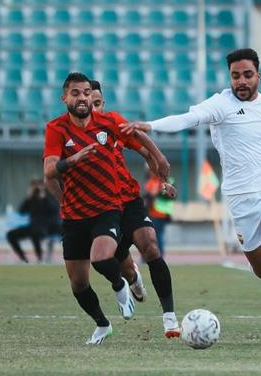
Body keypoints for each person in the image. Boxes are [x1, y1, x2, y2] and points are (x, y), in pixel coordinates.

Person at [121, 48, 261, 341]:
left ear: (258, 76)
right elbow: (187, 118)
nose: (241, 81)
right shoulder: (220, 104)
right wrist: (151, 126)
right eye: (235, 76)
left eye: (247, 75)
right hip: (241, 197)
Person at [43, 72, 170, 345]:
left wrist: (159, 161)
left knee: (109, 256)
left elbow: (140, 140)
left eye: (87, 94)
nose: (83, 98)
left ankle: (130, 289)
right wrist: (72, 165)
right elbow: (49, 172)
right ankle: (103, 324)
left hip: (111, 205)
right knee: (79, 283)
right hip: (75, 214)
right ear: (64, 97)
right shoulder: (56, 128)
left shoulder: (109, 122)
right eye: (76, 93)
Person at [89, 80, 180, 338]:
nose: (94, 109)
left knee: (150, 246)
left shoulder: (111, 124)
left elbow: (142, 145)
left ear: (103, 104)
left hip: (128, 200)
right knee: (123, 267)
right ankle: (132, 280)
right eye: (90, 104)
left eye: (98, 103)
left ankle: (170, 318)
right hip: (102, 208)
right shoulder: (73, 133)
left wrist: (162, 175)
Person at [6, 178, 59, 263]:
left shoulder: (48, 197)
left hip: (48, 227)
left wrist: (44, 197)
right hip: (33, 227)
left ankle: (39, 258)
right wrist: (28, 197)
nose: (37, 189)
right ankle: (24, 258)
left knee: (35, 233)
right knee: (10, 235)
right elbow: (21, 211)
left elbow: (55, 210)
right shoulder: (31, 199)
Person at [144, 173, 175, 257]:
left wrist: (157, 193)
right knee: (149, 235)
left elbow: (171, 195)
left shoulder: (166, 181)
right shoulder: (150, 181)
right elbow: (147, 196)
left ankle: (159, 254)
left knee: (157, 235)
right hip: (151, 212)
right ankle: (150, 254)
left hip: (161, 213)